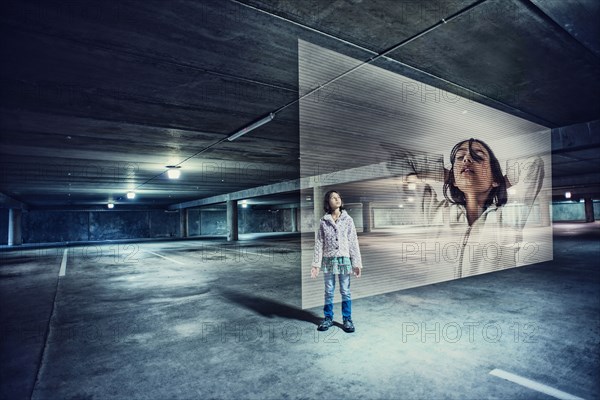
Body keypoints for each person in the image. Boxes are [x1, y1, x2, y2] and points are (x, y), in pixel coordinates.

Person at [403, 138, 544, 278]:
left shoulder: (508, 216)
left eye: (478, 157)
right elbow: (401, 166)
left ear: (495, 178)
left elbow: (534, 164)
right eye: (459, 157)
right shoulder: (435, 212)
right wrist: (448, 175)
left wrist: (500, 182)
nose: (467, 159)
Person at [311, 190, 363, 332]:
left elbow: (353, 242)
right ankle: (328, 318)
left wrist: (356, 263)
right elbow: (319, 243)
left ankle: (347, 319)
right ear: (328, 202)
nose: (337, 199)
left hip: (344, 259)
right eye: (333, 198)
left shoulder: (348, 220)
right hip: (328, 260)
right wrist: (316, 264)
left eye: (338, 197)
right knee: (329, 291)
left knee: (345, 291)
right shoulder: (323, 221)